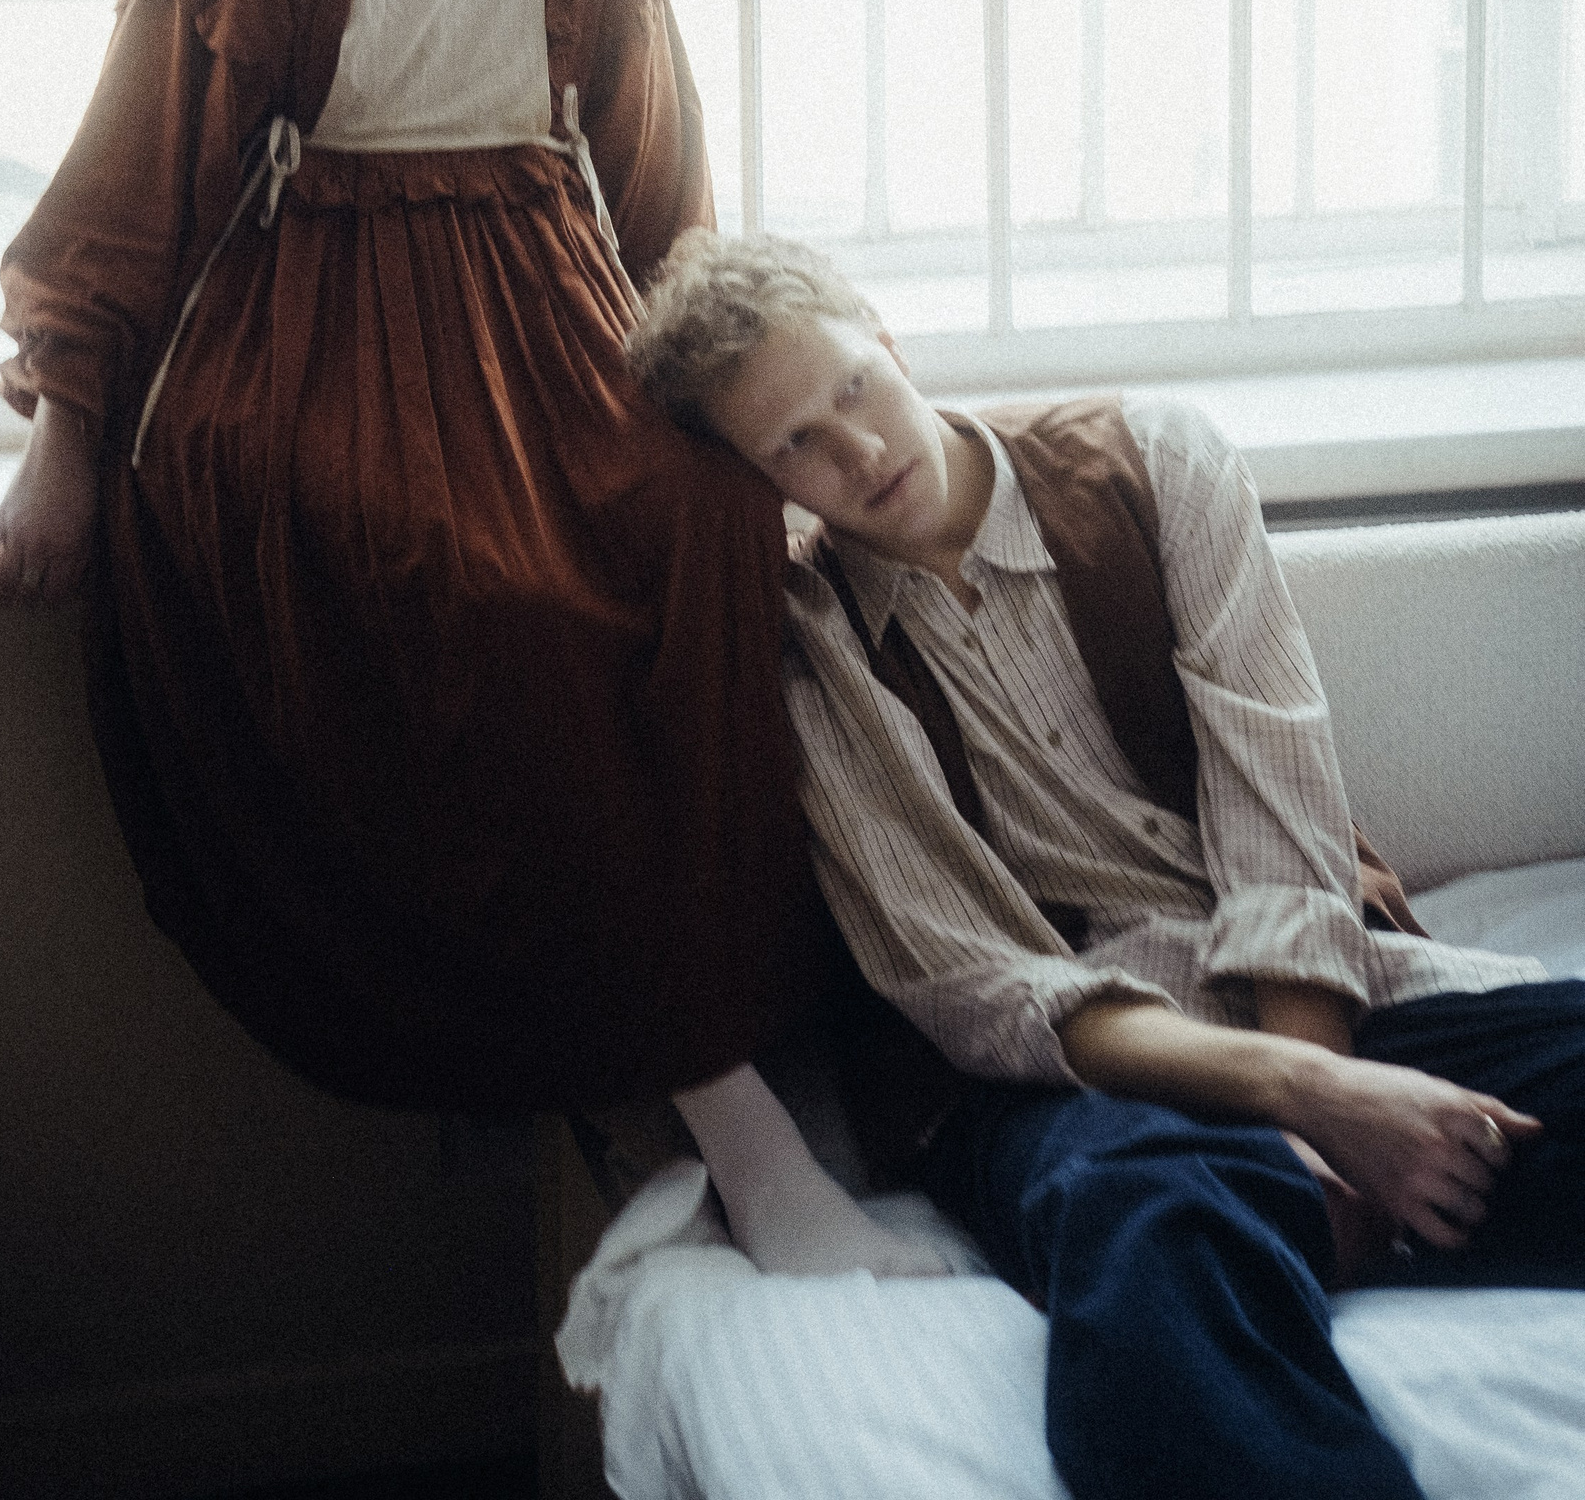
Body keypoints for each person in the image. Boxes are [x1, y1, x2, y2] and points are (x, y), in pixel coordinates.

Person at [0, 0, 819, 1119]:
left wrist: (748, 392)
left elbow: (655, 179)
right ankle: (580, 1059)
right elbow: (135, 176)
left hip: (542, 303)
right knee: (466, 583)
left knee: (703, 520)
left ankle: (700, 1043)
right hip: (324, 308)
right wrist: (63, 445)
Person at [623, 229, 1585, 1500]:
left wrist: (1332, 1097)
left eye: (853, 387)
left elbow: (1282, 824)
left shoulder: (1159, 463)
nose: (855, 452)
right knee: (1154, 1228)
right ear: (759, 483)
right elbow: (973, 985)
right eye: (794, 444)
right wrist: (1299, 1102)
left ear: (889, 340)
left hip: (1304, 996)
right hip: (1067, 1074)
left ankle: (1344, 1222)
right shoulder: (808, 647)